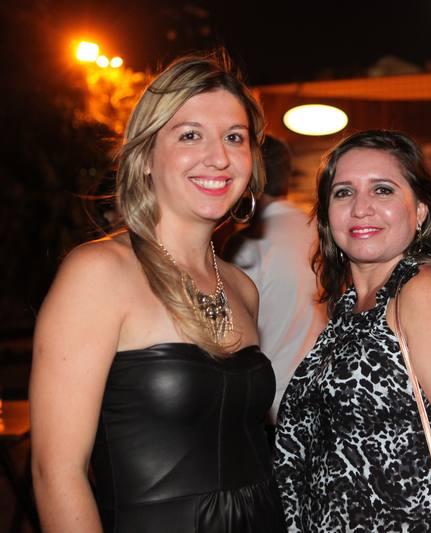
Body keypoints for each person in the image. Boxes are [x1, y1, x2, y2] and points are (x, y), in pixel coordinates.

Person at [30, 52, 285, 532]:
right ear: (145, 157)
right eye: (190, 135)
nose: (219, 157)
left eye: (235, 137)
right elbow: (55, 473)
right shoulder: (98, 274)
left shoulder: (241, 286)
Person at [275, 130, 431, 531]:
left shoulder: (424, 290)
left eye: (383, 190)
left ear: (419, 211)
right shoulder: (351, 305)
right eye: (343, 193)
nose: (361, 208)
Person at [224, 135, 326, 424]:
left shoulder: (244, 245)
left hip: (268, 404)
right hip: (321, 397)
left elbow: (228, 336)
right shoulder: (323, 232)